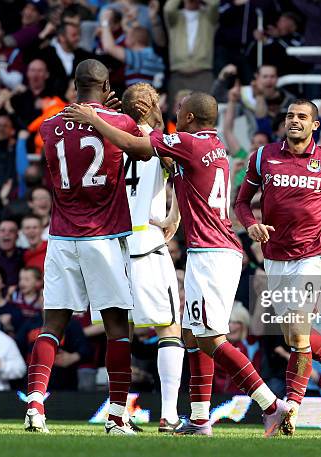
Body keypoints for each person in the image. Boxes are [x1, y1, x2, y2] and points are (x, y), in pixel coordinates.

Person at [63, 92, 294, 437]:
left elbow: (141, 146)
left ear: (188, 118)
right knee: (190, 335)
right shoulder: (213, 145)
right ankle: (200, 420)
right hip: (211, 249)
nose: (174, 111)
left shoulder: (187, 143)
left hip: (209, 252)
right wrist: (174, 214)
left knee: (212, 339)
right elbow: (166, 157)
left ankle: (271, 405)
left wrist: (98, 119)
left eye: (179, 109)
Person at [25, 59, 146, 435]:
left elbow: (66, 134)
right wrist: (111, 114)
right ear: (106, 84)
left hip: (61, 237)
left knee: (52, 325)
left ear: (74, 85)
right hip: (103, 236)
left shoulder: (49, 125)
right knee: (116, 327)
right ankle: (115, 417)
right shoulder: (119, 123)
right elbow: (142, 147)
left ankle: (35, 406)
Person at [234, 99, 321, 429]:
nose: (295, 121)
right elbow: (241, 202)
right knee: (292, 334)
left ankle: (291, 407)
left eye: (302, 117)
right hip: (275, 255)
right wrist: (251, 225)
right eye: (290, 115)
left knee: (299, 330)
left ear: (315, 124)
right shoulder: (263, 156)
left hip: (315, 253)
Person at [114, 82, 184, 432]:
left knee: (119, 331)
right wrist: (174, 215)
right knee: (169, 326)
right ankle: (169, 414)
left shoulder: (107, 139)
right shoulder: (161, 142)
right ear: (149, 104)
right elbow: (186, 180)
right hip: (147, 242)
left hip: (112, 247)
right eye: (154, 99)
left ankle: (120, 414)